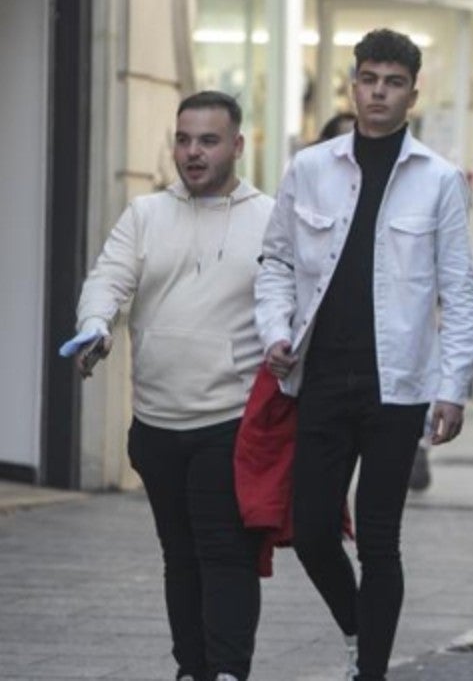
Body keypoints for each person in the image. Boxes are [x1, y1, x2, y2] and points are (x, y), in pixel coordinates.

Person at [254, 28, 473, 681]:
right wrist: (275, 328)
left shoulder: (437, 180)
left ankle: (372, 671)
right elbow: (274, 261)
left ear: (413, 92)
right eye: (369, 79)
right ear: (353, 84)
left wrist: (453, 387)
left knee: (381, 542)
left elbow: (459, 290)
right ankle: (361, 630)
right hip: (321, 375)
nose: (379, 92)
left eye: (394, 81)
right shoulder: (309, 167)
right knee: (314, 528)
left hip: (399, 386)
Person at [72, 91, 273, 681]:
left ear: (237, 145)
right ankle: (193, 668)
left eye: (208, 140)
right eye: (183, 139)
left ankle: (229, 670)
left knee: (224, 552)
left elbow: (293, 304)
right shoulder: (145, 214)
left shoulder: (270, 217)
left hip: (228, 421)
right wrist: (93, 327)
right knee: (179, 557)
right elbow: (108, 277)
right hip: (157, 423)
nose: (192, 152)